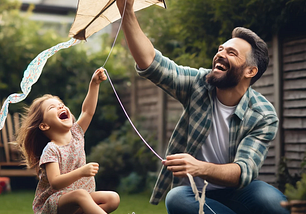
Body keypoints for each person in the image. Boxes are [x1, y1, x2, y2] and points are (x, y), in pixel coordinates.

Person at [116, 1, 289, 214]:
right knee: (176, 198)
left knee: (272, 201)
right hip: (195, 191)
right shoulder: (198, 84)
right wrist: (126, 12)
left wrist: (199, 167)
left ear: (250, 71)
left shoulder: (263, 114)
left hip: (239, 191)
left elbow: (244, 170)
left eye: (232, 53)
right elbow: (152, 63)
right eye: (220, 49)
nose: (220, 54)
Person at [16, 68, 120, 214]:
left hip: (79, 200)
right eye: (52, 107)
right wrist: (81, 172)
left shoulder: (76, 133)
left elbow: (87, 111)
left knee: (112, 198)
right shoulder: (51, 149)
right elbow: (55, 182)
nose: (60, 106)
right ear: (44, 125)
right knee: (81, 195)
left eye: (61, 104)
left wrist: (94, 84)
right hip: (54, 202)